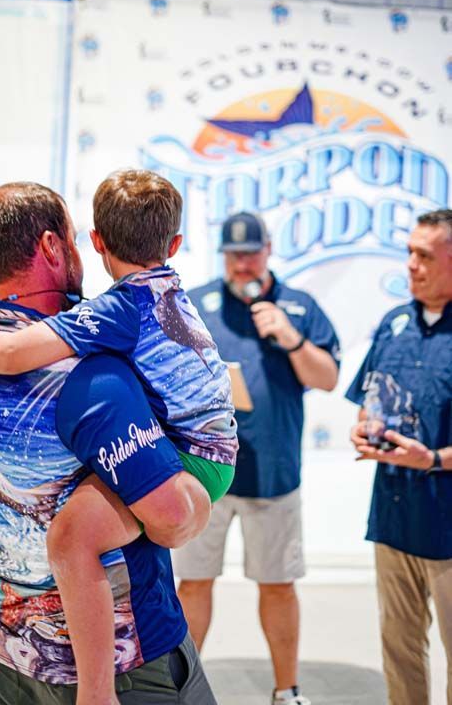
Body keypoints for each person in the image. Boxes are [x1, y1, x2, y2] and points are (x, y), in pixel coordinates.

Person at [0, 170, 237, 701]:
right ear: (53, 247)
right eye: (74, 238)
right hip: (121, 667)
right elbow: (171, 519)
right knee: (76, 537)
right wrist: (196, 502)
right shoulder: (92, 374)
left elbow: (7, 354)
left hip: (2, 645)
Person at [174, 211, 340, 705]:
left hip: (274, 475)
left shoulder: (298, 306)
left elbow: (327, 377)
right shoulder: (198, 303)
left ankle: (286, 690)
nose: (241, 264)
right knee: (194, 583)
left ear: (268, 250)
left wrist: (289, 337)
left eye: (250, 253)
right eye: (233, 255)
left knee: (278, 584)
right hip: (206, 474)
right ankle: (183, 689)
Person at [347, 208, 452, 705]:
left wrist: (431, 459)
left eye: (425, 255)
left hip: (448, 529)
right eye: (409, 252)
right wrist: (367, 428)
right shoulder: (395, 322)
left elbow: (431, 454)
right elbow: (372, 398)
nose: (411, 265)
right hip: (394, 520)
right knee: (400, 653)